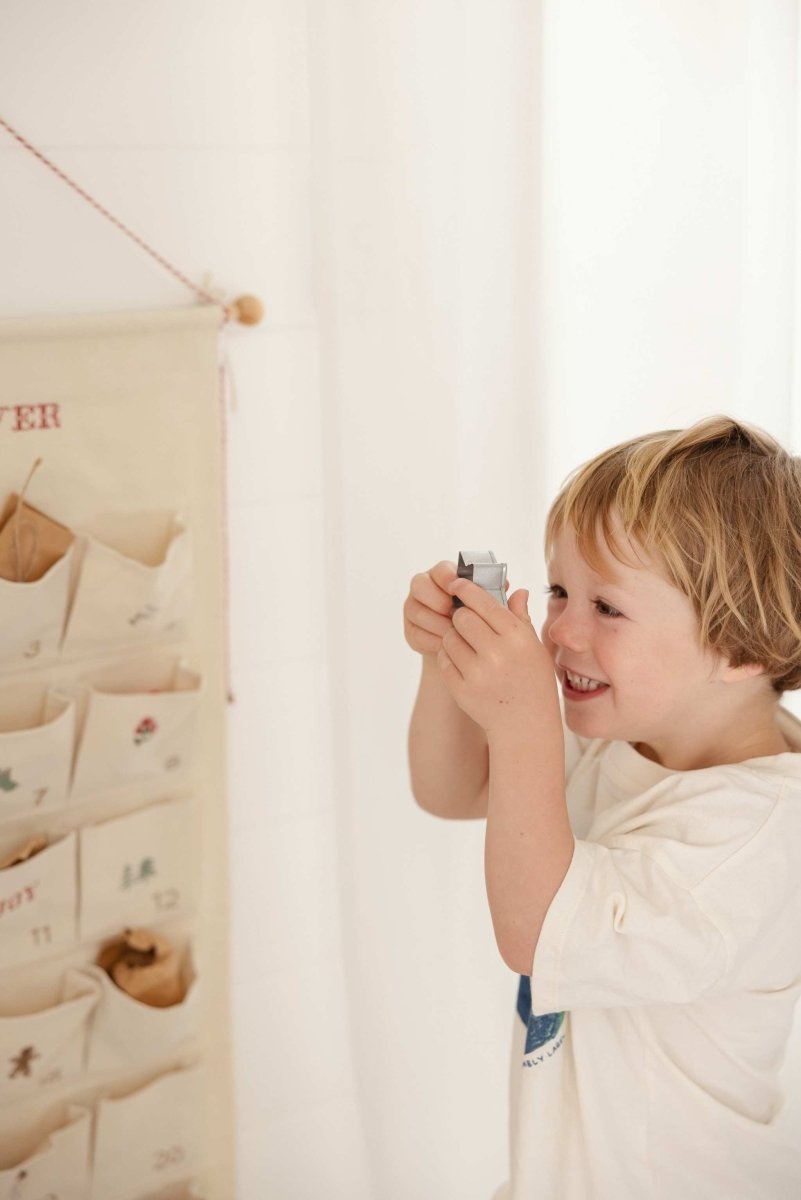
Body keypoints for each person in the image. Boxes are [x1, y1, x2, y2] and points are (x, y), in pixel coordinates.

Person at [403, 415, 801, 1199]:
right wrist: (447, 666)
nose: (559, 632)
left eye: (605, 608)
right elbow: (453, 791)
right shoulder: (631, 737)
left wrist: (520, 720)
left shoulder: (754, 837)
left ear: (739, 643)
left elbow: (536, 933)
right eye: (556, 592)